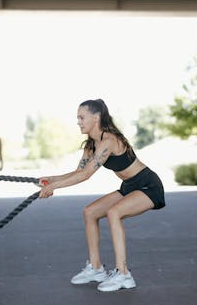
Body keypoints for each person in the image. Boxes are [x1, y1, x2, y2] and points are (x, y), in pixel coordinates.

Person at [39, 99, 165, 292]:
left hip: (149, 185)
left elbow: (86, 175)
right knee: (90, 212)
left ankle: (123, 274)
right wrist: (51, 179)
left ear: (96, 117)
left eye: (82, 117)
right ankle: (96, 268)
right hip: (129, 186)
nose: (78, 122)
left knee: (114, 212)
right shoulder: (91, 145)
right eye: (78, 118)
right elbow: (78, 171)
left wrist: (54, 186)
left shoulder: (109, 140)